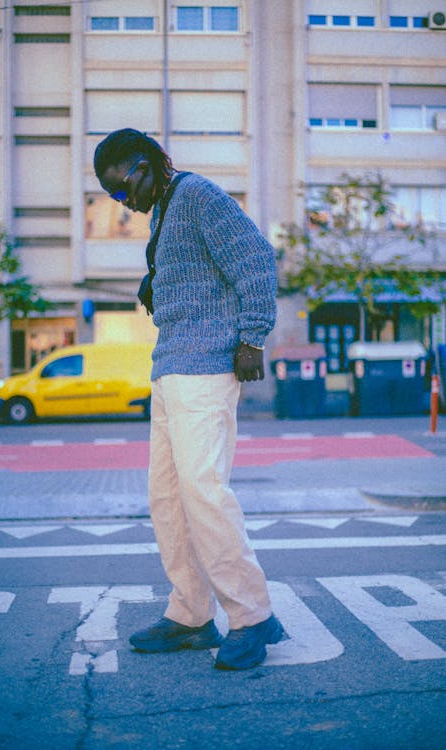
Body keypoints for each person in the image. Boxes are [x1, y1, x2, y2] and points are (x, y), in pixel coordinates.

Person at [94, 128, 283, 670]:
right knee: (168, 498)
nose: (123, 201)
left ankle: (251, 616)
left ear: (147, 162)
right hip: (170, 365)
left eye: (123, 187)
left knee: (204, 491)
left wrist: (253, 337)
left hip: (208, 364)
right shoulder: (163, 209)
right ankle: (191, 613)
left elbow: (256, 258)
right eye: (112, 197)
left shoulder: (199, 195)